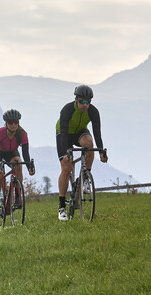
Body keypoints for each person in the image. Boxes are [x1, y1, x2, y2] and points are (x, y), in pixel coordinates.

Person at [55, 84, 107, 221]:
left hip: (79, 132)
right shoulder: (67, 110)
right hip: (64, 133)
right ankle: (61, 207)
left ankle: (85, 177)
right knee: (66, 167)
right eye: (82, 102)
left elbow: (97, 133)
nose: (85, 105)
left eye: (88, 102)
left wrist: (101, 151)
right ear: (76, 100)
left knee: (89, 145)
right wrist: (67, 152)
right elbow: (64, 133)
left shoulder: (93, 112)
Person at [0, 109, 35, 218]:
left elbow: (25, 153)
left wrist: (29, 167)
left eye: (16, 122)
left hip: (11, 152)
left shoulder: (22, 134)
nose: (13, 125)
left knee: (18, 164)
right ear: (6, 123)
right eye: (10, 122)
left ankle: (18, 195)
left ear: (18, 123)